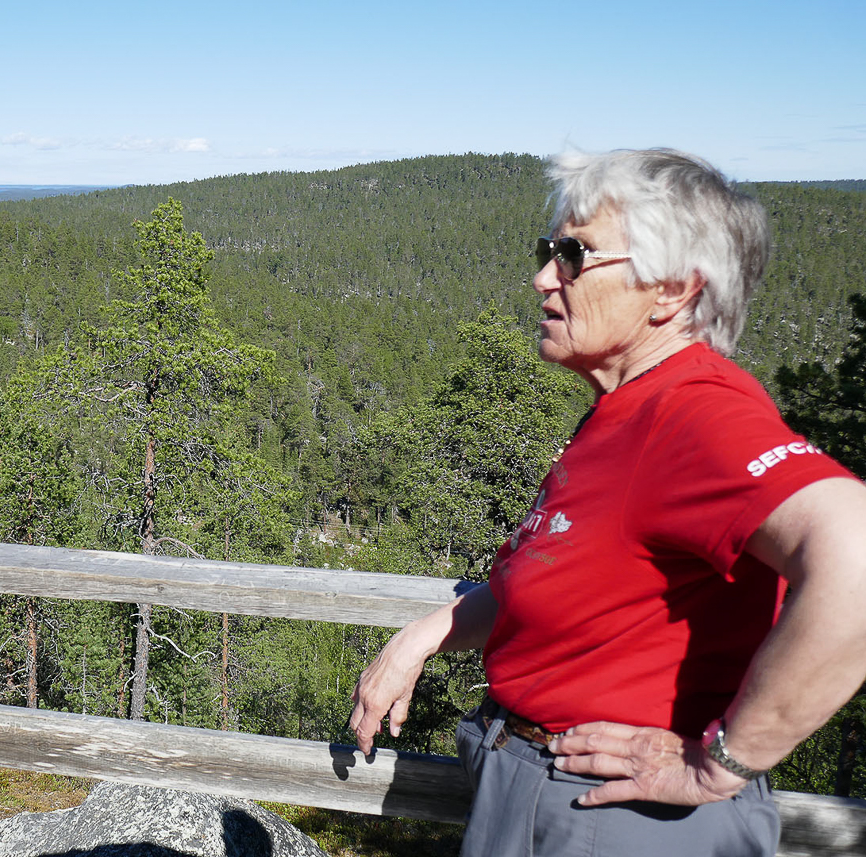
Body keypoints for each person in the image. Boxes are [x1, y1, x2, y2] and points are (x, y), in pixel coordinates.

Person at [348, 148, 866, 857]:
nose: (541, 278)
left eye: (573, 255)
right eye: (547, 250)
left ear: (671, 290)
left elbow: (856, 555)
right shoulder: (623, 413)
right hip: (546, 793)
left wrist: (722, 763)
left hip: (614, 818)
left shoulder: (694, 415)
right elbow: (559, 587)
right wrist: (423, 637)